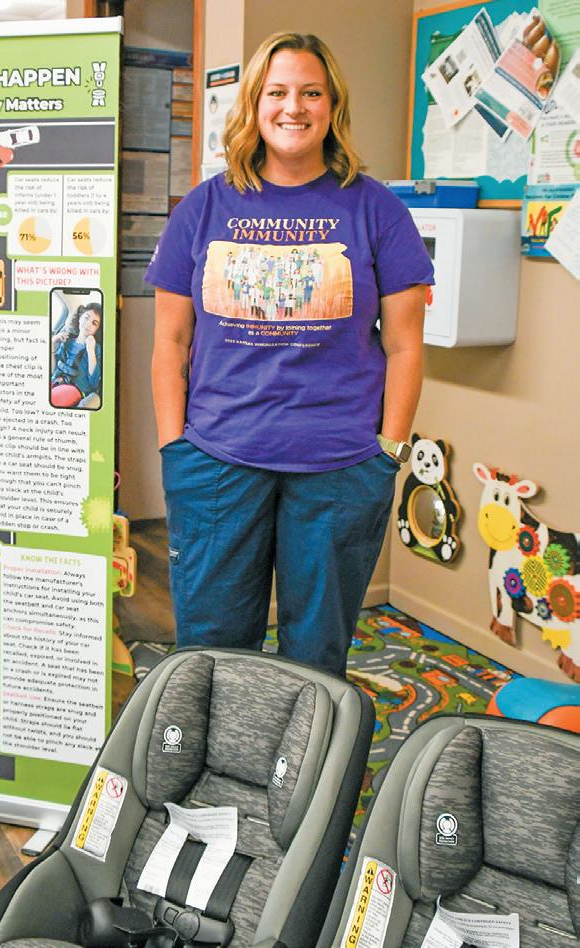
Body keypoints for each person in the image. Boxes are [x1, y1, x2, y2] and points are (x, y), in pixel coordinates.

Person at [146, 32, 434, 676]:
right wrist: (174, 447)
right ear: (254, 103)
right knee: (211, 656)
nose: (293, 107)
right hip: (216, 462)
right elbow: (170, 341)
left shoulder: (378, 210)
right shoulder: (204, 208)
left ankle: (304, 750)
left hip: (340, 466)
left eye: (311, 93)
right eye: (277, 92)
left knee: (316, 659)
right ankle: (220, 748)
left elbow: (405, 344)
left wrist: (389, 451)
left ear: (333, 105)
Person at [51, 302, 103, 409]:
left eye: (94, 323)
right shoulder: (67, 341)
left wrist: (90, 351)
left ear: (97, 329)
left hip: (76, 389)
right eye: (86, 318)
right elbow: (53, 369)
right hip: (56, 382)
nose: (88, 324)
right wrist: (52, 345)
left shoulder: (96, 349)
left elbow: (94, 384)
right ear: (80, 318)